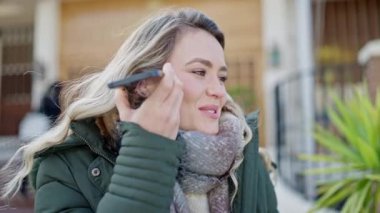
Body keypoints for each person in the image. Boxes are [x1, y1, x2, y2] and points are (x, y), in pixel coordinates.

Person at [0, 8, 277, 212]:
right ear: (144, 83)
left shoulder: (247, 160)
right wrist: (147, 150)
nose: (219, 90)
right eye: (199, 71)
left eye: (222, 76)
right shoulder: (67, 167)